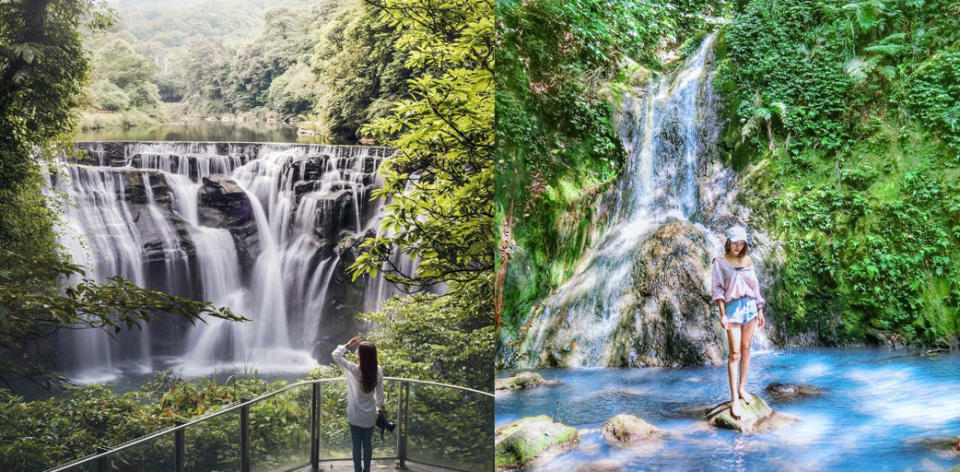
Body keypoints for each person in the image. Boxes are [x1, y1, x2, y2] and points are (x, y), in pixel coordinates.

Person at [710, 225, 766, 419]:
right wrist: (722, 314)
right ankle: (734, 398)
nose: (738, 246)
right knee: (734, 354)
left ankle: (742, 389)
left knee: (746, 348)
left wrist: (760, 309)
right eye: (736, 242)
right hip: (732, 308)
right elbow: (717, 290)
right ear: (729, 242)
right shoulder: (720, 262)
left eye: (742, 243)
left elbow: (755, 286)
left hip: (750, 307)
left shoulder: (748, 260)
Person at [332, 336, 386, 472]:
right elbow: (380, 395)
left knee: (356, 445)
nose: (356, 351)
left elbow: (336, 355)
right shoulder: (377, 370)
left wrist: (348, 344)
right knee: (367, 444)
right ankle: (367, 470)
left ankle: (358, 470)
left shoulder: (353, 369)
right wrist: (383, 410)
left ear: (360, 355)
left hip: (355, 415)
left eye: (358, 350)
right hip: (370, 416)